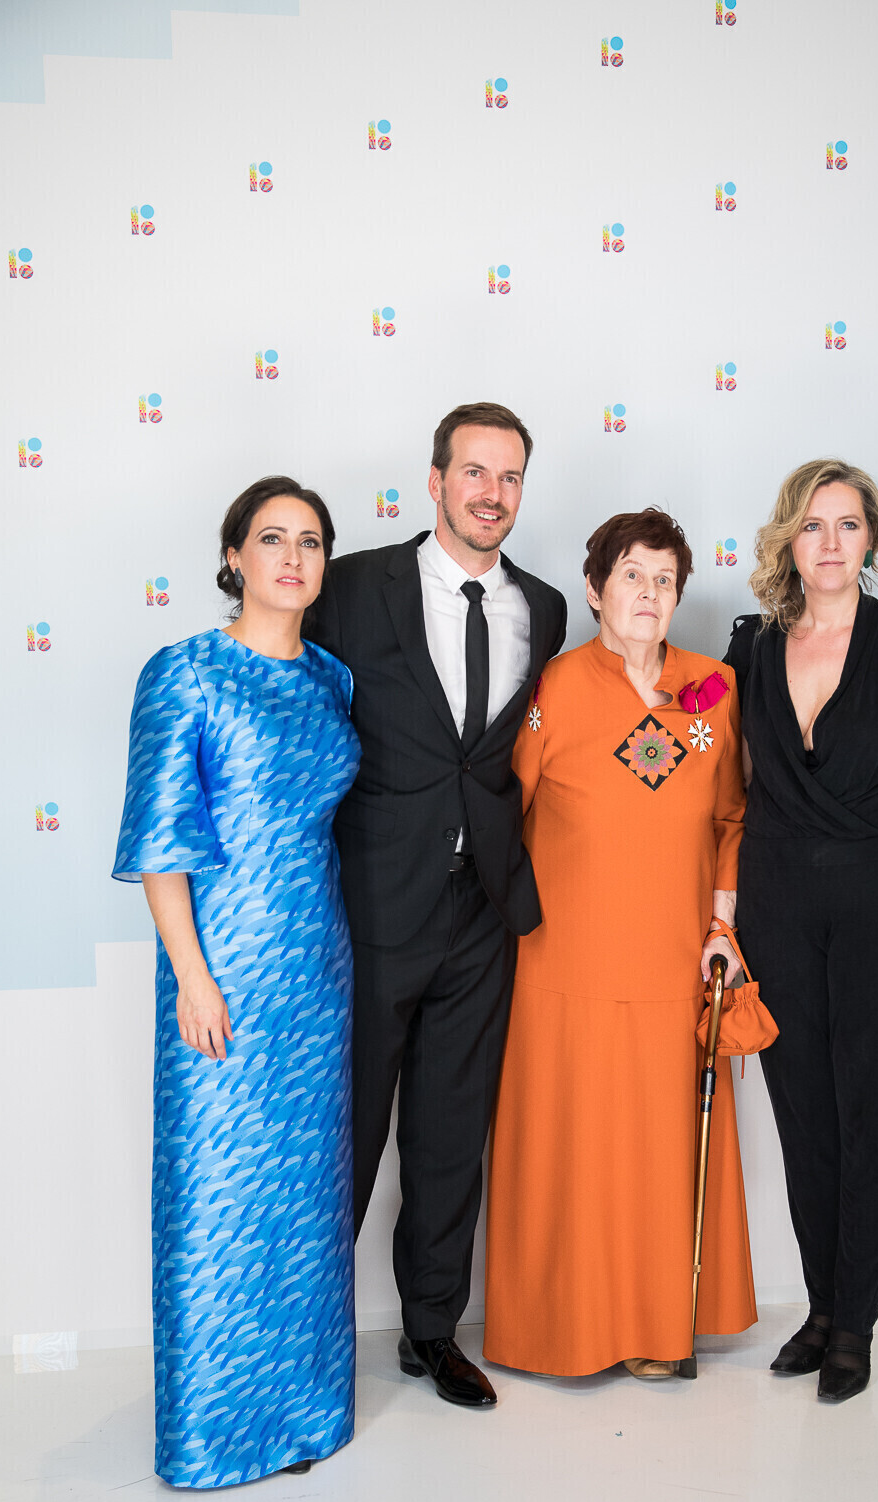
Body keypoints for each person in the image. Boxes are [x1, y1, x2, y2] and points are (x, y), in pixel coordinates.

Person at [303, 402, 567, 1408]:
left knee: (452, 1137)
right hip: (370, 906)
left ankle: (431, 1332)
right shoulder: (352, 585)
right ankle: (302, 1346)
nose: (492, 495)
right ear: (435, 481)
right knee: (343, 1138)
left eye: (509, 477)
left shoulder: (545, 608)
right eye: (474, 473)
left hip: (481, 913)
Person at [113, 476, 360, 1486]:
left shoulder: (333, 680)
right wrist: (191, 977)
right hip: (221, 967)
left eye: (310, 542)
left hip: (318, 970)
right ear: (233, 558)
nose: (292, 558)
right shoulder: (183, 674)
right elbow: (160, 845)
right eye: (271, 539)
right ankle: (213, 1434)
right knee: (217, 1198)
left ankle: (304, 1415)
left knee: (303, 1200)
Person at [483, 508, 757, 1380]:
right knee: (576, 1149)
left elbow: (731, 818)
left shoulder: (714, 686)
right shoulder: (554, 687)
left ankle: (655, 1328)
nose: (649, 593)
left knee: (656, 1151)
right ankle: (565, 1330)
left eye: (665, 580)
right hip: (564, 964)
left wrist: (721, 925)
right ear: (596, 589)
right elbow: (504, 816)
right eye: (632, 575)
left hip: (675, 959)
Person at [726, 460, 878, 1403]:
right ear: (788, 538)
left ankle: (856, 1325)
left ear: (871, 539)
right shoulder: (750, 647)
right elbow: (736, 783)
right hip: (777, 905)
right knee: (804, 1116)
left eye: (848, 525)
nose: (830, 543)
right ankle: (822, 1307)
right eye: (813, 525)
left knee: (872, 1114)